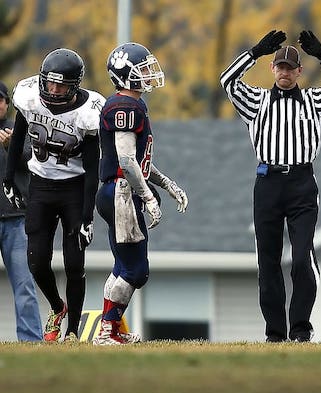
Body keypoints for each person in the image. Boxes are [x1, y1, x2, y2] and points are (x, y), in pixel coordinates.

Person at [220, 30, 321, 342]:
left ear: (299, 71)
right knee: (267, 262)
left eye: (289, 68)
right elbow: (228, 81)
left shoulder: (316, 101)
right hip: (267, 183)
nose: (283, 72)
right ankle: (275, 334)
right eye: (279, 67)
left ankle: (300, 330)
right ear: (273, 69)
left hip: (301, 184)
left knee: (302, 258)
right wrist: (255, 52)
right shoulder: (257, 101)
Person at [3, 49, 104, 343]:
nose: (54, 90)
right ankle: (57, 307)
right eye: (50, 83)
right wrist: (9, 178)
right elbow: (19, 134)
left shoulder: (88, 112)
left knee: (74, 263)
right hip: (41, 185)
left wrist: (87, 216)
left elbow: (92, 168)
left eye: (61, 85)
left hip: (74, 187)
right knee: (36, 261)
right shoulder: (29, 96)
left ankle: (72, 331)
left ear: (75, 85)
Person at [93, 42, 188, 345]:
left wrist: (167, 184)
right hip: (121, 193)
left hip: (117, 190)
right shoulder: (125, 106)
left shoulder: (135, 105)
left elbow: (139, 161)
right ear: (124, 75)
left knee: (123, 266)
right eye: (142, 69)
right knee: (136, 271)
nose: (149, 74)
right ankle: (107, 329)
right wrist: (147, 197)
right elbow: (125, 160)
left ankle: (113, 329)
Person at [0, 81, 43, 341]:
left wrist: (10, 147)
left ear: (7, 103)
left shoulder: (20, 130)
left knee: (24, 285)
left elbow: (36, 163)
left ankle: (30, 341)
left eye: (0, 99)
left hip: (17, 220)